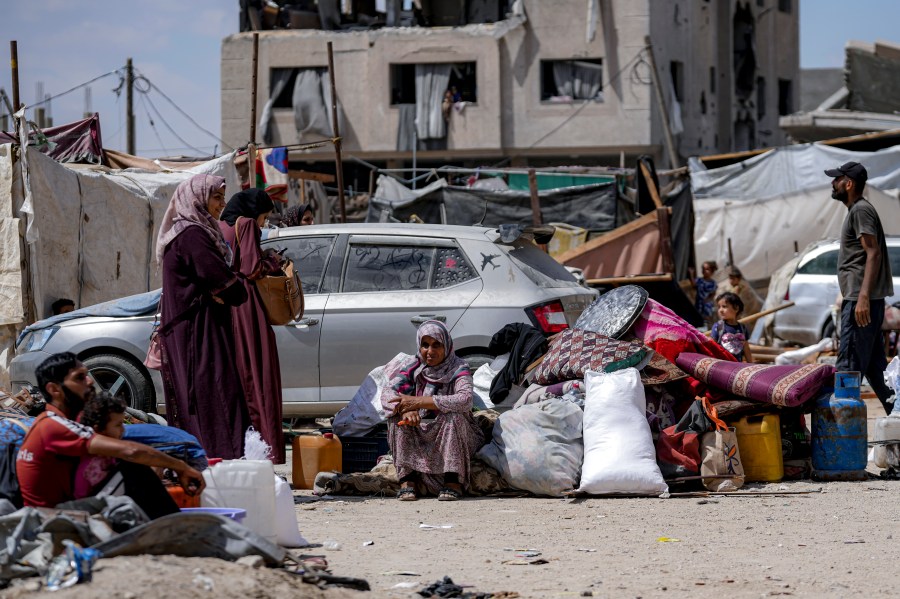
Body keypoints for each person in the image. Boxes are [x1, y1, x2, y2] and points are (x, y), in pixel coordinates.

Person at [16, 353, 204, 517]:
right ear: (54, 389)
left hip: (67, 506)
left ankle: (168, 525)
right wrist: (180, 466)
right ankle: (172, 527)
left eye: (87, 375)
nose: (90, 381)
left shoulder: (63, 421)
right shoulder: (52, 425)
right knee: (131, 467)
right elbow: (129, 451)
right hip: (52, 517)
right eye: (79, 378)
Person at [155, 174, 250, 460]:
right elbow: (227, 284)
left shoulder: (194, 231)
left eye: (223, 197)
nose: (222, 204)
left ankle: (209, 461)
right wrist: (233, 287)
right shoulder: (192, 235)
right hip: (198, 331)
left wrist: (226, 287)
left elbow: (223, 284)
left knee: (207, 396)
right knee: (216, 394)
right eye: (216, 197)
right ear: (197, 198)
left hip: (199, 327)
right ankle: (223, 460)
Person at [219, 189, 287, 463]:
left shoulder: (221, 225)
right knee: (259, 373)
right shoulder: (245, 224)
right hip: (248, 306)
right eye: (264, 216)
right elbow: (251, 268)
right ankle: (265, 447)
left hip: (228, 305)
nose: (262, 222)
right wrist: (273, 260)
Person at [381, 320, 484, 501]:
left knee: (453, 416)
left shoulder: (459, 367)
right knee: (395, 418)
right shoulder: (413, 366)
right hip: (420, 427)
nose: (430, 351)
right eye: (425, 345)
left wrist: (419, 402)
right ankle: (408, 480)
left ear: (447, 345)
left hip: (451, 432)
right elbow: (388, 394)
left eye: (437, 345)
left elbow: (465, 399)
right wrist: (405, 410)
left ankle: (453, 481)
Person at [826, 161, 895, 413]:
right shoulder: (857, 210)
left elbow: (873, 252)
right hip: (861, 299)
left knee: (849, 364)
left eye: (837, 179)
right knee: (876, 368)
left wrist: (863, 296)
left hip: (859, 301)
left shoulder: (860, 210)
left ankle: (843, 436)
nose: (832, 183)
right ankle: (897, 416)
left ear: (849, 183)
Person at [74, 391, 127, 499]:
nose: (123, 430)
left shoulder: (107, 454)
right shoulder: (95, 463)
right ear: (98, 429)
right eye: (118, 425)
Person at [711, 292, 753, 363]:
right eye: (719, 307)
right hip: (723, 366)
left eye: (724, 306)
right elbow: (712, 347)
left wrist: (751, 365)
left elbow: (746, 349)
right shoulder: (718, 327)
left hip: (738, 366)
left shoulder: (742, 328)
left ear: (736, 308)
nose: (720, 310)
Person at [693, 260, 719, 327]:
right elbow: (694, 284)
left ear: (712, 271)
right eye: (703, 269)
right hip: (698, 305)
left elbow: (713, 294)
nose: (704, 271)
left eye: (707, 269)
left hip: (707, 306)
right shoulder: (699, 280)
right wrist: (691, 273)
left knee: (707, 322)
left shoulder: (713, 283)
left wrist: (707, 300)